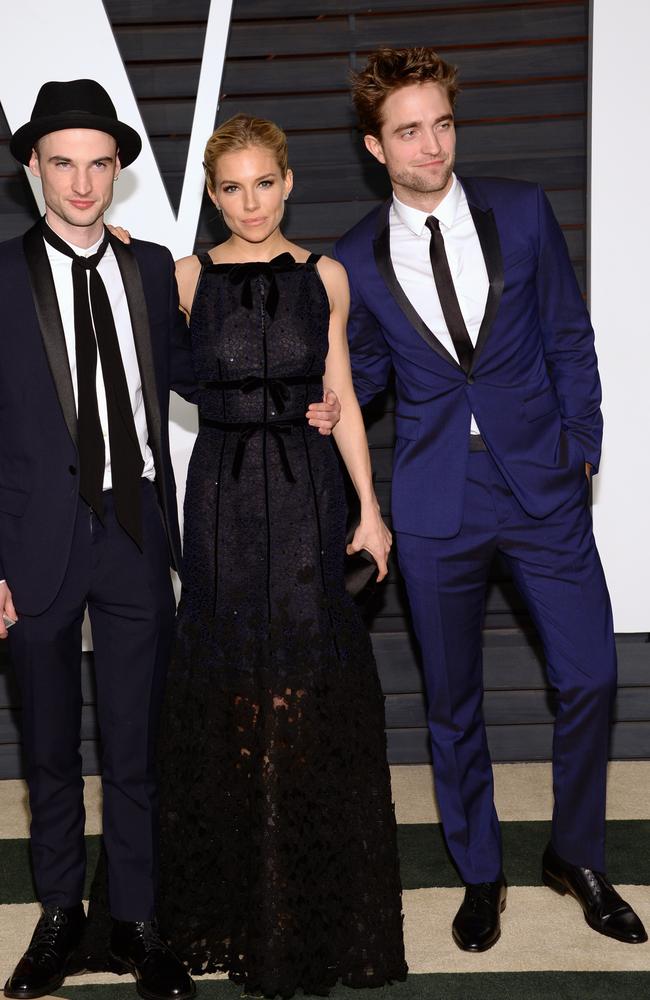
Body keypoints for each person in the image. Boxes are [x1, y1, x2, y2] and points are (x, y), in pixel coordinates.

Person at [0, 82, 339, 1000]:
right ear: (34, 167)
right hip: (30, 544)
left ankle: (139, 919)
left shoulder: (155, 268)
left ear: (118, 170)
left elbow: (211, 370)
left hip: (139, 534)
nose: (81, 181)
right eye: (62, 162)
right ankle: (62, 913)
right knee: (47, 749)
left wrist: (301, 394)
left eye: (98, 162)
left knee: (137, 742)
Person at [333, 47, 648, 952]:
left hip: (541, 484)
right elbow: (371, 373)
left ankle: (576, 854)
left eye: (441, 123)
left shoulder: (520, 207)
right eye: (408, 132)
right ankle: (479, 872)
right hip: (437, 501)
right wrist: (330, 394)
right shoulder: (356, 254)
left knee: (590, 674)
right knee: (453, 702)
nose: (431, 146)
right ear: (375, 146)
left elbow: (566, 331)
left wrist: (582, 445)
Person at [136, 113, 407, 998]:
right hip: (217, 495)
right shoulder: (182, 276)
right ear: (211, 196)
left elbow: (343, 396)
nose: (249, 202)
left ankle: (301, 902)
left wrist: (370, 509)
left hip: (304, 492)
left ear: (288, 182)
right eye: (230, 187)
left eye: (263, 182)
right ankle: (230, 903)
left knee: (303, 688)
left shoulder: (324, 276)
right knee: (229, 689)